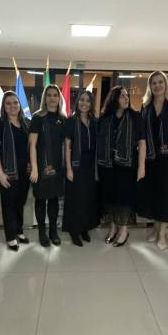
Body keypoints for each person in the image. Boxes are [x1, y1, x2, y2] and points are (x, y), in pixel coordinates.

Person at [137, 71, 168, 250]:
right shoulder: (145, 106)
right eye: (154, 83)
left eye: (160, 82)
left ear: (165, 84)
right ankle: (157, 228)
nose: (157, 86)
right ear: (150, 86)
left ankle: (162, 233)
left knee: (167, 195)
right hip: (151, 159)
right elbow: (142, 136)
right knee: (154, 195)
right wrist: (141, 164)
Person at [97, 85, 146, 246]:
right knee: (110, 198)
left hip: (127, 166)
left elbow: (142, 142)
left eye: (127, 95)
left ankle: (124, 230)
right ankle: (113, 228)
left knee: (124, 198)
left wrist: (141, 167)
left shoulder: (135, 116)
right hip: (107, 166)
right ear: (114, 99)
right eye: (122, 96)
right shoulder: (105, 117)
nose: (126, 98)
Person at [0, 90, 31, 251]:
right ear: (3, 107)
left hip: (24, 171)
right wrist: (0, 174)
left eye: (15, 102)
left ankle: (19, 231)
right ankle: (11, 236)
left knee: (20, 202)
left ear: (20, 105)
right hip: (7, 171)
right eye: (8, 103)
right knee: (9, 204)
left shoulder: (26, 123)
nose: (12, 106)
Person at [63, 90, 101, 246]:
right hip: (76, 163)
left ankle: (85, 227)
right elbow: (67, 146)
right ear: (77, 102)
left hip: (91, 165)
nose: (84, 103)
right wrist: (69, 168)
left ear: (91, 104)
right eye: (81, 100)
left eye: (87, 101)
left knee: (88, 198)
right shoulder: (70, 121)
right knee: (75, 199)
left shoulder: (95, 122)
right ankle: (74, 230)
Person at [29, 84, 66, 247]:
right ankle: (41, 232)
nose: (52, 98)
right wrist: (34, 168)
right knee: (40, 199)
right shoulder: (37, 118)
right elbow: (32, 145)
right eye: (49, 95)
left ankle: (53, 232)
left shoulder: (62, 118)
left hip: (57, 166)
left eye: (55, 95)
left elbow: (66, 144)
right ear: (45, 98)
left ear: (59, 98)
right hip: (40, 166)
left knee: (53, 200)